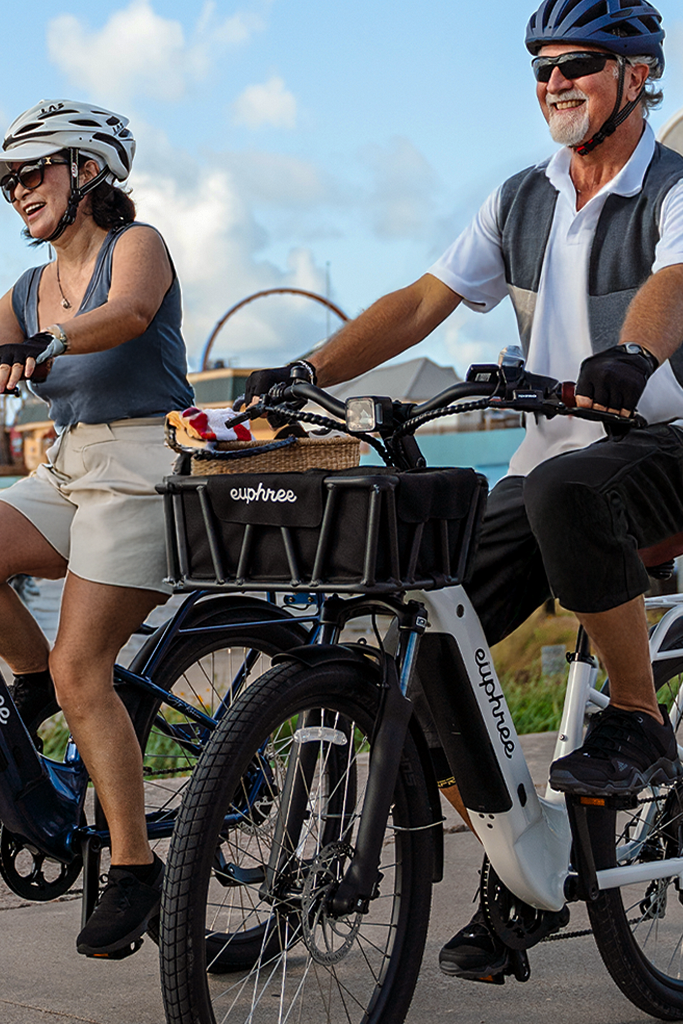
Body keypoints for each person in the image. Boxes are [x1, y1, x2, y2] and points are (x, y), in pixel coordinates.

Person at [246, 0, 683, 984]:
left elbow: (673, 285)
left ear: (638, 74)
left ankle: (639, 718)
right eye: (538, 69)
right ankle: (522, 873)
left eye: (575, 63)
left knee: (570, 484)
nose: (553, 84)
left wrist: (630, 354)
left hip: (662, 441)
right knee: (430, 632)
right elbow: (418, 302)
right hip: (547, 471)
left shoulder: (673, 189)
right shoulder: (521, 197)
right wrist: (308, 373)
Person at [0, 99, 193, 959]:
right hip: (72, 464)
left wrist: (45, 343)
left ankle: (133, 865)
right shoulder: (29, 285)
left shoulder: (135, 244)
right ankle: (45, 682)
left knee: (88, 667)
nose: (17, 192)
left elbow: (128, 316)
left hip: (149, 466)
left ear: (86, 170)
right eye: (8, 182)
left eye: (31, 172)